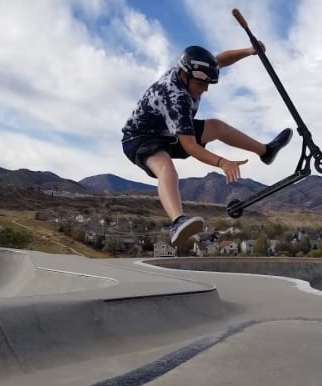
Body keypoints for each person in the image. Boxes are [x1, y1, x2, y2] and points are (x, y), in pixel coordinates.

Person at [121, 44, 293, 246]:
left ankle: (266, 151)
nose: (206, 89)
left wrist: (249, 51)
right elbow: (190, 147)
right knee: (166, 167)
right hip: (139, 138)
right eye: (202, 84)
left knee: (216, 126)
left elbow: (220, 60)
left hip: (166, 131)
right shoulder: (175, 98)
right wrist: (222, 163)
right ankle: (178, 222)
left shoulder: (193, 71)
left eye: (209, 83)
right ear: (186, 76)